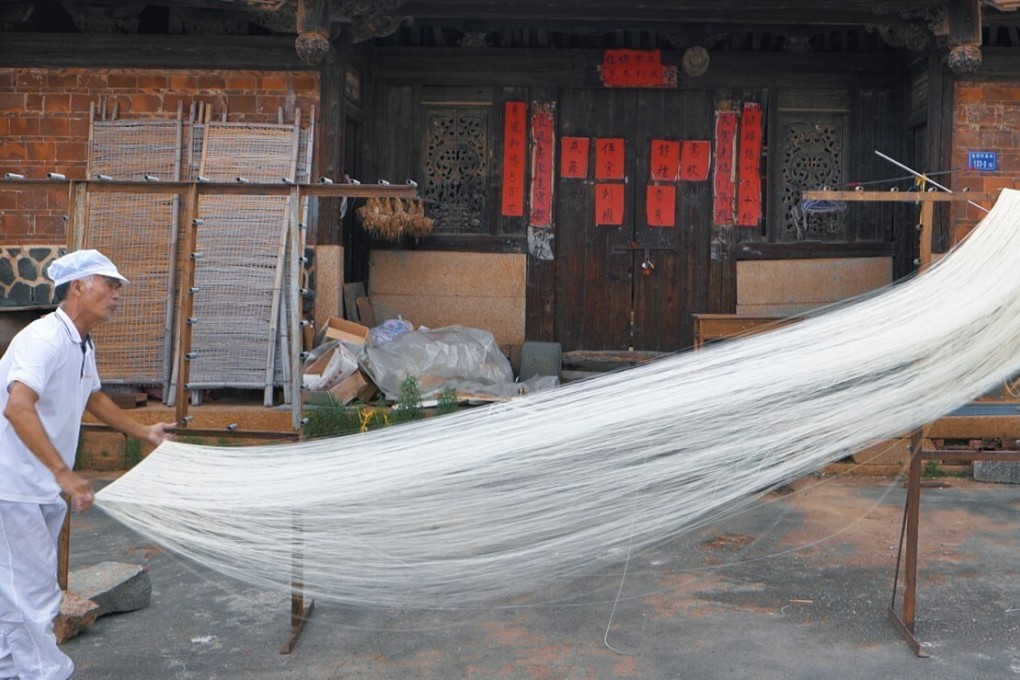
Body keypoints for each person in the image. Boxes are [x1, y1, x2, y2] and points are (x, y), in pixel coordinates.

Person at [0, 249, 175, 680]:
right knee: (33, 592)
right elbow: (17, 408)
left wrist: (143, 431)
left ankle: (13, 669)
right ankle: (43, 673)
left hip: (37, 485)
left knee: (17, 592)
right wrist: (65, 474)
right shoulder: (42, 339)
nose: (117, 294)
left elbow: (93, 397)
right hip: (12, 485)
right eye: (109, 284)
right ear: (78, 287)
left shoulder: (81, 341)